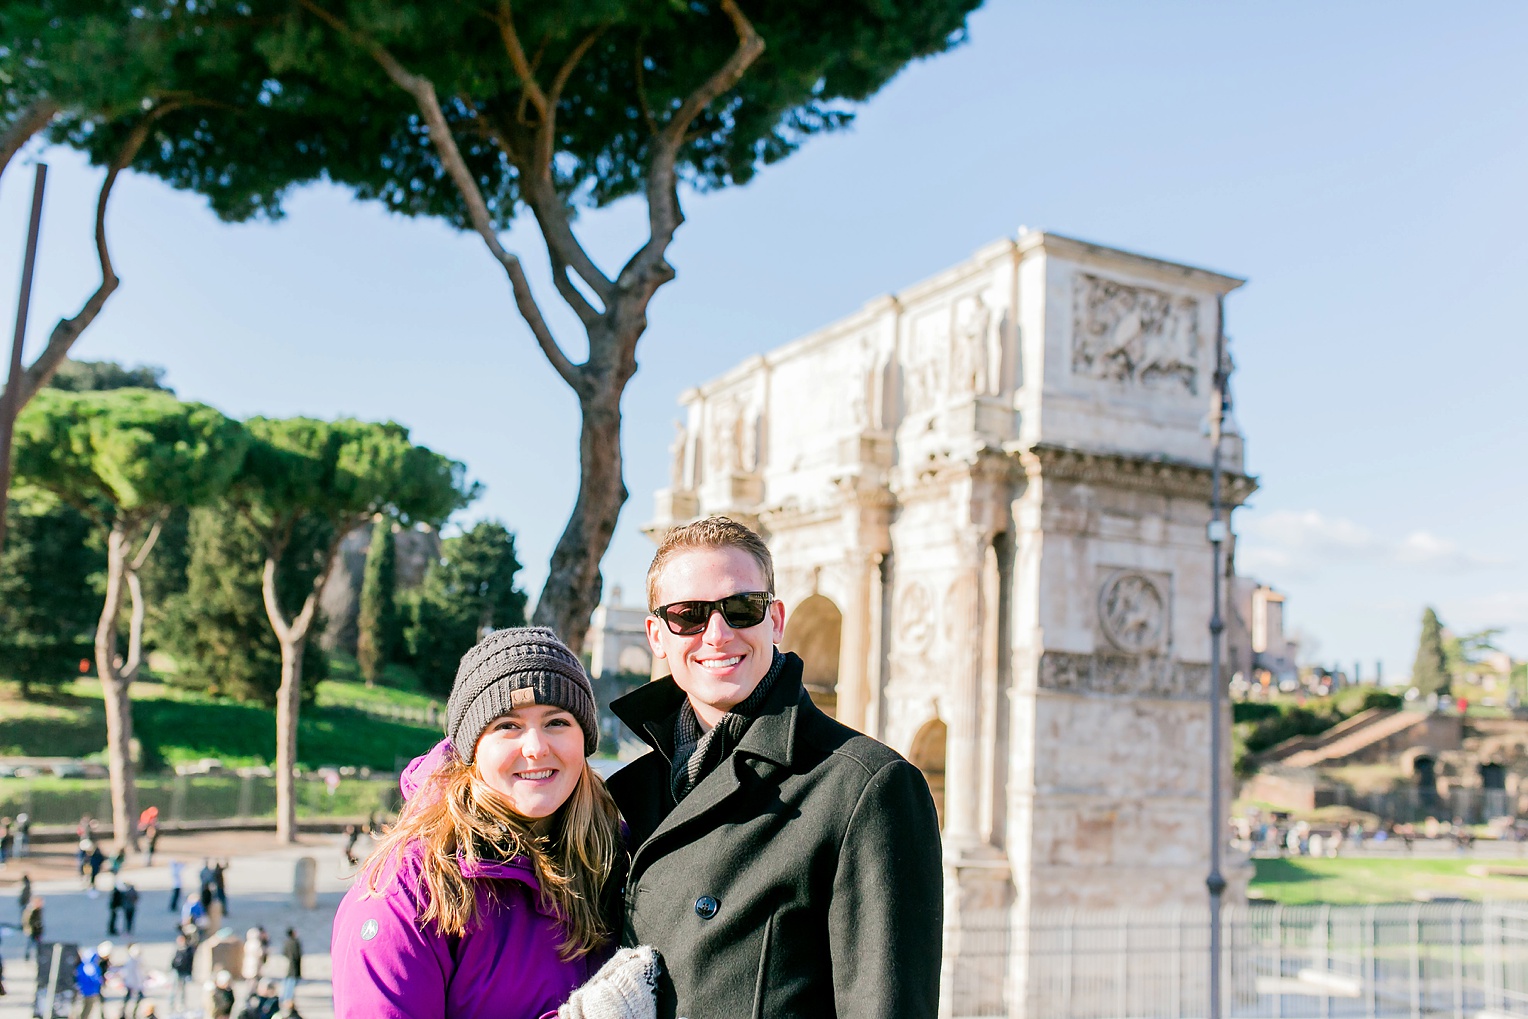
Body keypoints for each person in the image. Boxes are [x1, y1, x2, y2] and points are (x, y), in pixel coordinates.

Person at [608, 516, 944, 1018]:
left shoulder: (866, 788)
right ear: (657, 635)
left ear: (776, 620)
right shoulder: (623, 797)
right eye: (688, 616)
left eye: (742, 608)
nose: (717, 635)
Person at [331, 626, 657, 1019]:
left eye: (557, 722)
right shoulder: (408, 889)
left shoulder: (621, 861)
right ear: (471, 749)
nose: (536, 748)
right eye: (508, 726)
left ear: (584, 741)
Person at [74, 941, 112, 1019]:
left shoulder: (88, 959)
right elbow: (93, 976)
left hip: (85, 988)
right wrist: (100, 981)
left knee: (85, 1009)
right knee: (86, 1009)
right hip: (89, 990)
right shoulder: (91, 964)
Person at [116, 943, 147, 1019]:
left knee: (134, 998)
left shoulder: (136, 961)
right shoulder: (131, 962)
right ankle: (124, 1013)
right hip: (132, 983)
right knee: (129, 998)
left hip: (135, 983)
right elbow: (132, 974)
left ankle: (131, 1012)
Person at [170, 933, 197, 1015]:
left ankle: (181, 1004)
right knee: (174, 989)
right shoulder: (178, 948)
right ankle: (171, 1004)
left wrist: (190, 973)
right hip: (176, 970)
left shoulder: (188, 950)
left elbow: (190, 962)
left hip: (184, 971)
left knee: (183, 989)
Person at [279, 927, 302, 1007]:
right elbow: (297, 955)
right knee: (291, 984)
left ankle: (284, 999)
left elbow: (284, 953)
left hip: (287, 966)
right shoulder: (295, 942)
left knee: (286, 983)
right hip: (293, 967)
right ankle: (288, 1000)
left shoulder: (286, 942)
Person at [21, 895, 42, 961]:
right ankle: (27, 955)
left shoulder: (38, 910)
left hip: (37, 931)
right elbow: (26, 920)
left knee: (37, 944)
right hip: (31, 931)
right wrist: (28, 928)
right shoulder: (30, 910)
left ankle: (38, 955)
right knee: (30, 944)